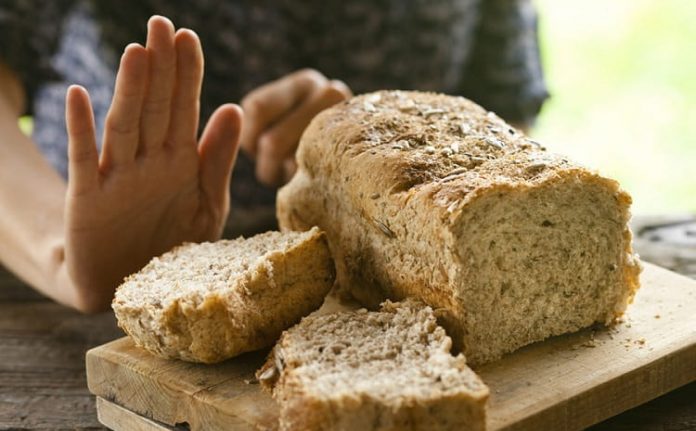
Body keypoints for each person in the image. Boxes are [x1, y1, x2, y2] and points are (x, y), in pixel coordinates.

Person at [0, 0, 548, 313]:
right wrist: (58, 250)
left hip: (383, 301)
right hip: (59, 308)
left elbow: (502, 122)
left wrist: (364, 151)